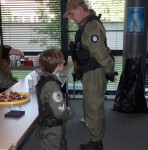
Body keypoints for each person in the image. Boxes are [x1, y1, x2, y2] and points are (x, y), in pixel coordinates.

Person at [64, 0, 116, 150]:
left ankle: (96, 143)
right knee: (91, 106)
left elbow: (99, 52)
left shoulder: (91, 26)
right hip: (89, 72)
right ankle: (95, 139)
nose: (71, 18)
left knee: (94, 108)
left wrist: (109, 70)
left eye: (72, 14)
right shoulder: (86, 25)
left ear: (80, 9)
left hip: (94, 74)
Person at [36, 49, 71, 150]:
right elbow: (60, 111)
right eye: (62, 62)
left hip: (48, 124)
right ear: (58, 66)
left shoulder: (43, 78)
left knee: (60, 145)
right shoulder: (52, 85)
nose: (64, 63)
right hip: (52, 128)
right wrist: (67, 112)